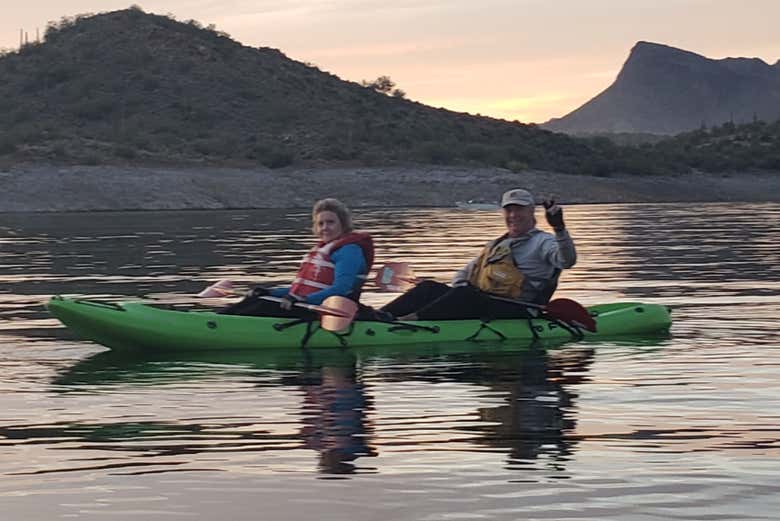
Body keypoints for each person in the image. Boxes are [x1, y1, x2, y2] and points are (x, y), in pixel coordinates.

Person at [379, 188, 576, 321]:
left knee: (467, 294)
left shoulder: (543, 242)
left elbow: (567, 261)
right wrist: (454, 293)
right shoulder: (497, 245)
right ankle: (379, 317)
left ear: (532, 211)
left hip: (517, 308)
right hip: (481, 302)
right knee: (429, 288)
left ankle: (408, 322)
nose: (513, 215)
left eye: (519, 209)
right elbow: (463, 275)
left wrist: (558, 227)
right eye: (509, 210)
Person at [221, 198, 374, 317]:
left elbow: (341, 289)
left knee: (262, 305)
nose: (325, 228)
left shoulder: (349, 251)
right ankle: (219, 318)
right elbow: (299, 289)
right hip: (304, 305)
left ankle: (218, 323)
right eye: (320, 224)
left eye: (331, 222)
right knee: (256, 299)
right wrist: (269, 292)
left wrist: (303, 300)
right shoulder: (323, 249)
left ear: (343, 224)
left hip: (323, 311)